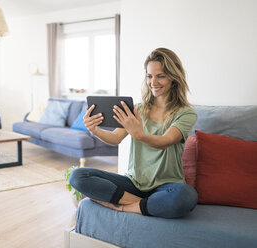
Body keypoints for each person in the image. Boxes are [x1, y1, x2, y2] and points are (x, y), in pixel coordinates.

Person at [69, 48, 198, 218]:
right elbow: (115, 138)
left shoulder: (185, 113)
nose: (153, 82)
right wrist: (95, 130)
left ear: (174, 77)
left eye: (160, 76)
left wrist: (140, 135)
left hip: (167, 185)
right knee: (78, 176)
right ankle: (144, 204)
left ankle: (124, 206)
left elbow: (166, 141)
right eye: (149, 76)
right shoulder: (138, 109)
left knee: (186, 196)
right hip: (134, 183)